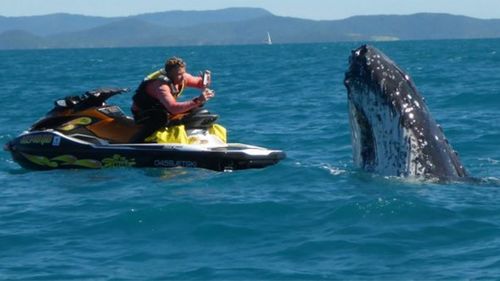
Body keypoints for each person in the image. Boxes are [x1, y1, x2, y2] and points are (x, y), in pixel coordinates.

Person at [131, 57, 215, 142]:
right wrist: (198, 100)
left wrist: (205, 81)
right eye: (179, 74)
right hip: (143, 112)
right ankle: (136, 142)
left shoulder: (183, 77)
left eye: (183, 73)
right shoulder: (161, 86)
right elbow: (173, 108)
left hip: (162, 108)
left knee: (197, 109)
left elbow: (199, 83)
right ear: (169, 74)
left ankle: (191, 135)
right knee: (160, 119)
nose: (183, 77)